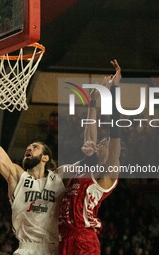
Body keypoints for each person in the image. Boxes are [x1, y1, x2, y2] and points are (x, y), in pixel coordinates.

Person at [0, 83, 77, 255]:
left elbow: (91, 161)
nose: (29, 148)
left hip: (54, 248)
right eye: (28, 147)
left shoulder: (59, 177)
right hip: (26, 248)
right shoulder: (18, 176)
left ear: (45, 157)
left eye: (35, 147)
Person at [59, 60, 122, 255]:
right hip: (65, 236)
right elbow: (90, 133)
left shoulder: (108, 173)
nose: (100, 143)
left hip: (84, 239)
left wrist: (114, 90)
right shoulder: (87, 165)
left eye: (104, 143)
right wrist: (93, 101)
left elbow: (115, 129)